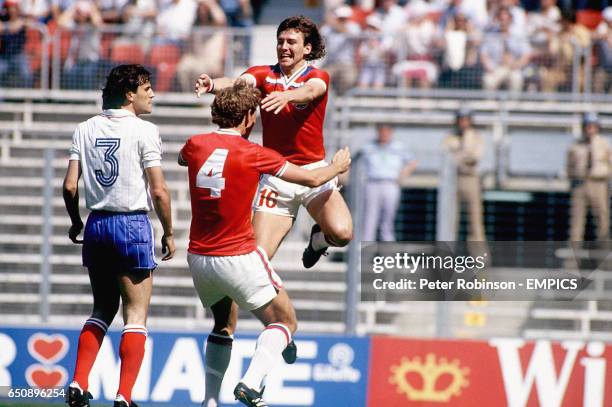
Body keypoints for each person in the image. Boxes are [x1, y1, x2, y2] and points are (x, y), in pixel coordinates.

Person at [178, 80, 350, 407]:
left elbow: (182, 160)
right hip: (237, 254)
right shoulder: (254, 153)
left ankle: (210, 401)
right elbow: (313, 179)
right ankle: (251, 382)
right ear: (248, 118)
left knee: (223, 322)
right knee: (285, 321)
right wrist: (337, 167)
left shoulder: (194, 144)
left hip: (199, 258)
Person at [194, 15, 353, 269]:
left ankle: (318, 241)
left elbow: (311, 91)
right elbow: (237, 84)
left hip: (313, 170)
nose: (284, 47)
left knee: (342, 233)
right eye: (280, 41)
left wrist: (287, 96)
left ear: (307, 49)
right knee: (257, 260)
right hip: (278, 173)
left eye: (291, 42)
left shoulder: (317, 76)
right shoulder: (263, 74)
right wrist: (213, 84)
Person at [62, 64, 175, 407]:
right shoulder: (145, 130)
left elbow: (69, 185)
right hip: (131, 224)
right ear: (130, 94)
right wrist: (169, 232)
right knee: (136, 314)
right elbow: (158, 191)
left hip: (97, 224)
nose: (152, 94)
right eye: (147, 88)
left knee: (101, 308)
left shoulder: (84, 128)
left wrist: (75, 222)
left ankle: (79, 382)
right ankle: (124, 395)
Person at [360, 124, 417, 242]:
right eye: (381, 131)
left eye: (387, 131)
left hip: (391, 185)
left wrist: (402, 176)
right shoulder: (368, 146)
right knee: (369, 221)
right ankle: (365, 257)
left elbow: (413, 162)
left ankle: (387, 257)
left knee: (388, 222)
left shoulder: (399, 147)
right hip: (372, 184)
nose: (384, 134)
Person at [442, 108, 486, 241]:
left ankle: (479, 260)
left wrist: (460, 156)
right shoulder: (450, 136)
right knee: (449, 222)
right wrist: (464, 156)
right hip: (452, 179)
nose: (463, 123)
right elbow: (445, 155)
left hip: (470, 179)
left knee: (475, 222)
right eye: (461, 120)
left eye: (466, 120)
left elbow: (475, 157)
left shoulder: (476, 137)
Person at [566, 112, 612, 242]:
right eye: (587, 126)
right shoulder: (575, 145)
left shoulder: (604, 144)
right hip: (580, 184)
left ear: (597, 127)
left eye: (593, 126)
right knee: (576, 224)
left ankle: (604, 259)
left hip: (599, 184)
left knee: (602, 222)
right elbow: (569, 165)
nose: (590, 129)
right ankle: (573, 260)